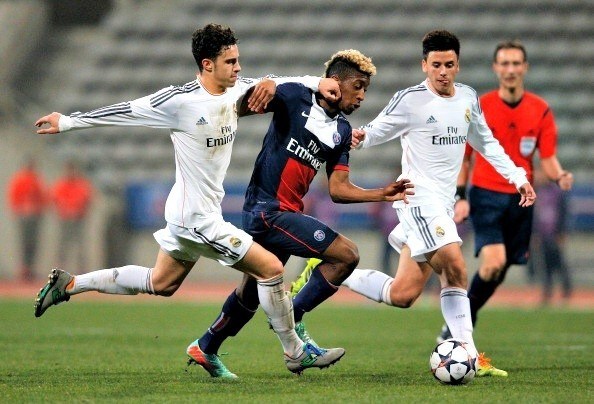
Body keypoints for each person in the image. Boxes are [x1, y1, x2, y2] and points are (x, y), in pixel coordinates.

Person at [32, 23, 346, 376]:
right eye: (230, 62)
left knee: (161, 282)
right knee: (271, 269)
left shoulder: (235, 90)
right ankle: (295, 351)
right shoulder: (179, 101)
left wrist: (316, 82)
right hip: (196, 219)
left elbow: (276, 80)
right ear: (207, 64)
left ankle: (70, 284)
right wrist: (68, 122)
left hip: (191, 213)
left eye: (238, 60)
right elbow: (126, 110)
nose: (238, 67)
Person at [293, 30, 537, 377]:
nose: (442, 72)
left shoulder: (468, 98)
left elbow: (487, 143)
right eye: (436, 65)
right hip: (417, 199)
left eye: (449, 65)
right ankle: (469, 354)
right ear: (425, 65)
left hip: (443, 204)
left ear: (458, 65)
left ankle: (326, 270)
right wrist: (359, 136)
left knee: (403, 293)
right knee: (455, 267)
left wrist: (517, 176)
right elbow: (376, 130)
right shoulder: (411, 100)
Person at [188, 50, 414, 378]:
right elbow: (243, 103)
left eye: (366, 89)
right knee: (347, 255)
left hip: (284, 214)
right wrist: (266, 84)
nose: (362, 96)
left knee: (250, 293)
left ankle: (206, 345)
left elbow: (338, 189)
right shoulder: (296, 96)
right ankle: (293, 323)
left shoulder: (342, 131)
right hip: (267, 210)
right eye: (358, 86)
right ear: (335, 82)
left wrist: (381, 193)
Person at [435, 40, 573, 341]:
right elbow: (464, 158)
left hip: (521, 200)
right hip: (486, 195)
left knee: (498, 270)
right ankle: (459, 326)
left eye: (516, 63)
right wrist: (461, 196)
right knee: (493, 262)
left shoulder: (540, 110)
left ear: (525, 67)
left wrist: (560, 175)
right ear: (496, 68)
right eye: (505, 63)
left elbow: (547, 159)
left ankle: (462, 319)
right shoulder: (480, 106)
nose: (510, 69)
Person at [530, 167, 573, 305]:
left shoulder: (557, 192)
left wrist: (562, 232)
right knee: (545, 265)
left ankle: (566, 289)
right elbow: (533, 216)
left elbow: (563, 212)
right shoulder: (536, 192)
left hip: (554, 234)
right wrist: (534, 233)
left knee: (559, 263)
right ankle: (547, 292)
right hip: (542, 234)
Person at [7, 158, 47, 281]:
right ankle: (24, 268)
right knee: (24, 243)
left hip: (35, 216)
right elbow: (14, 197)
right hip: (24, 216)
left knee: (33, 243)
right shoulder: (20, 180)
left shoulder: (37, 180)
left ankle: (31, 268)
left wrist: (37, 208)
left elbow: (43, 197)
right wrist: (21, 208)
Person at [51, 160, 94, 270]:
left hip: (78, 219)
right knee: (63, 245)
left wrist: (78, 210)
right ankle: (60, 269)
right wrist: (66, 210)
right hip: (65, 219)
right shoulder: (61, 184)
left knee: (81, 245)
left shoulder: (82, 184)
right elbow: (56, 200)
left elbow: (87, 200)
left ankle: (82, 269)